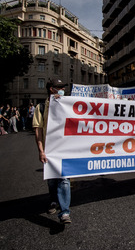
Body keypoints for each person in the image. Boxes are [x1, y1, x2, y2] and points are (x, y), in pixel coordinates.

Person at [33, 78, 72, 224]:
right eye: (59, 87)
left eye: (63, 87)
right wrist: (41, 151)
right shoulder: (41, 107)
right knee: (51, 181)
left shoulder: (68, 104)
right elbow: (38, 130)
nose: (62, 90)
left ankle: (65, 212)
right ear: (52, 89)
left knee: (64, 179)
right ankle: (53, 201)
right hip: (49, 150)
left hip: (64, 149)